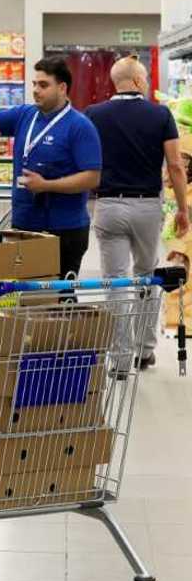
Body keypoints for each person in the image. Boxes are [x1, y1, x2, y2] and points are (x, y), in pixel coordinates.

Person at [86, 55, 188, 370]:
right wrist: (183, 209)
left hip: (108, 206)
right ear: (138, 81)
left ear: (115, 82)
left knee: (115, 281)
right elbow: (175, 166)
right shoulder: (160, 115)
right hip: (147, 206)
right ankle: (144, 351)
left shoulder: (94, 114)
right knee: (146, 276)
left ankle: (118, 360)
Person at [0, 56, 103, 279]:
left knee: (58, 301)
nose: (36, 90)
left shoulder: (80, 126)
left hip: (64, 230)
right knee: (24, 299)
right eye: (34, 84)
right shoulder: (25, 114)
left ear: (62, 88)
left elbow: (92, 178)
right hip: (24, 225)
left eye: (43, 85)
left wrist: (46, 185)